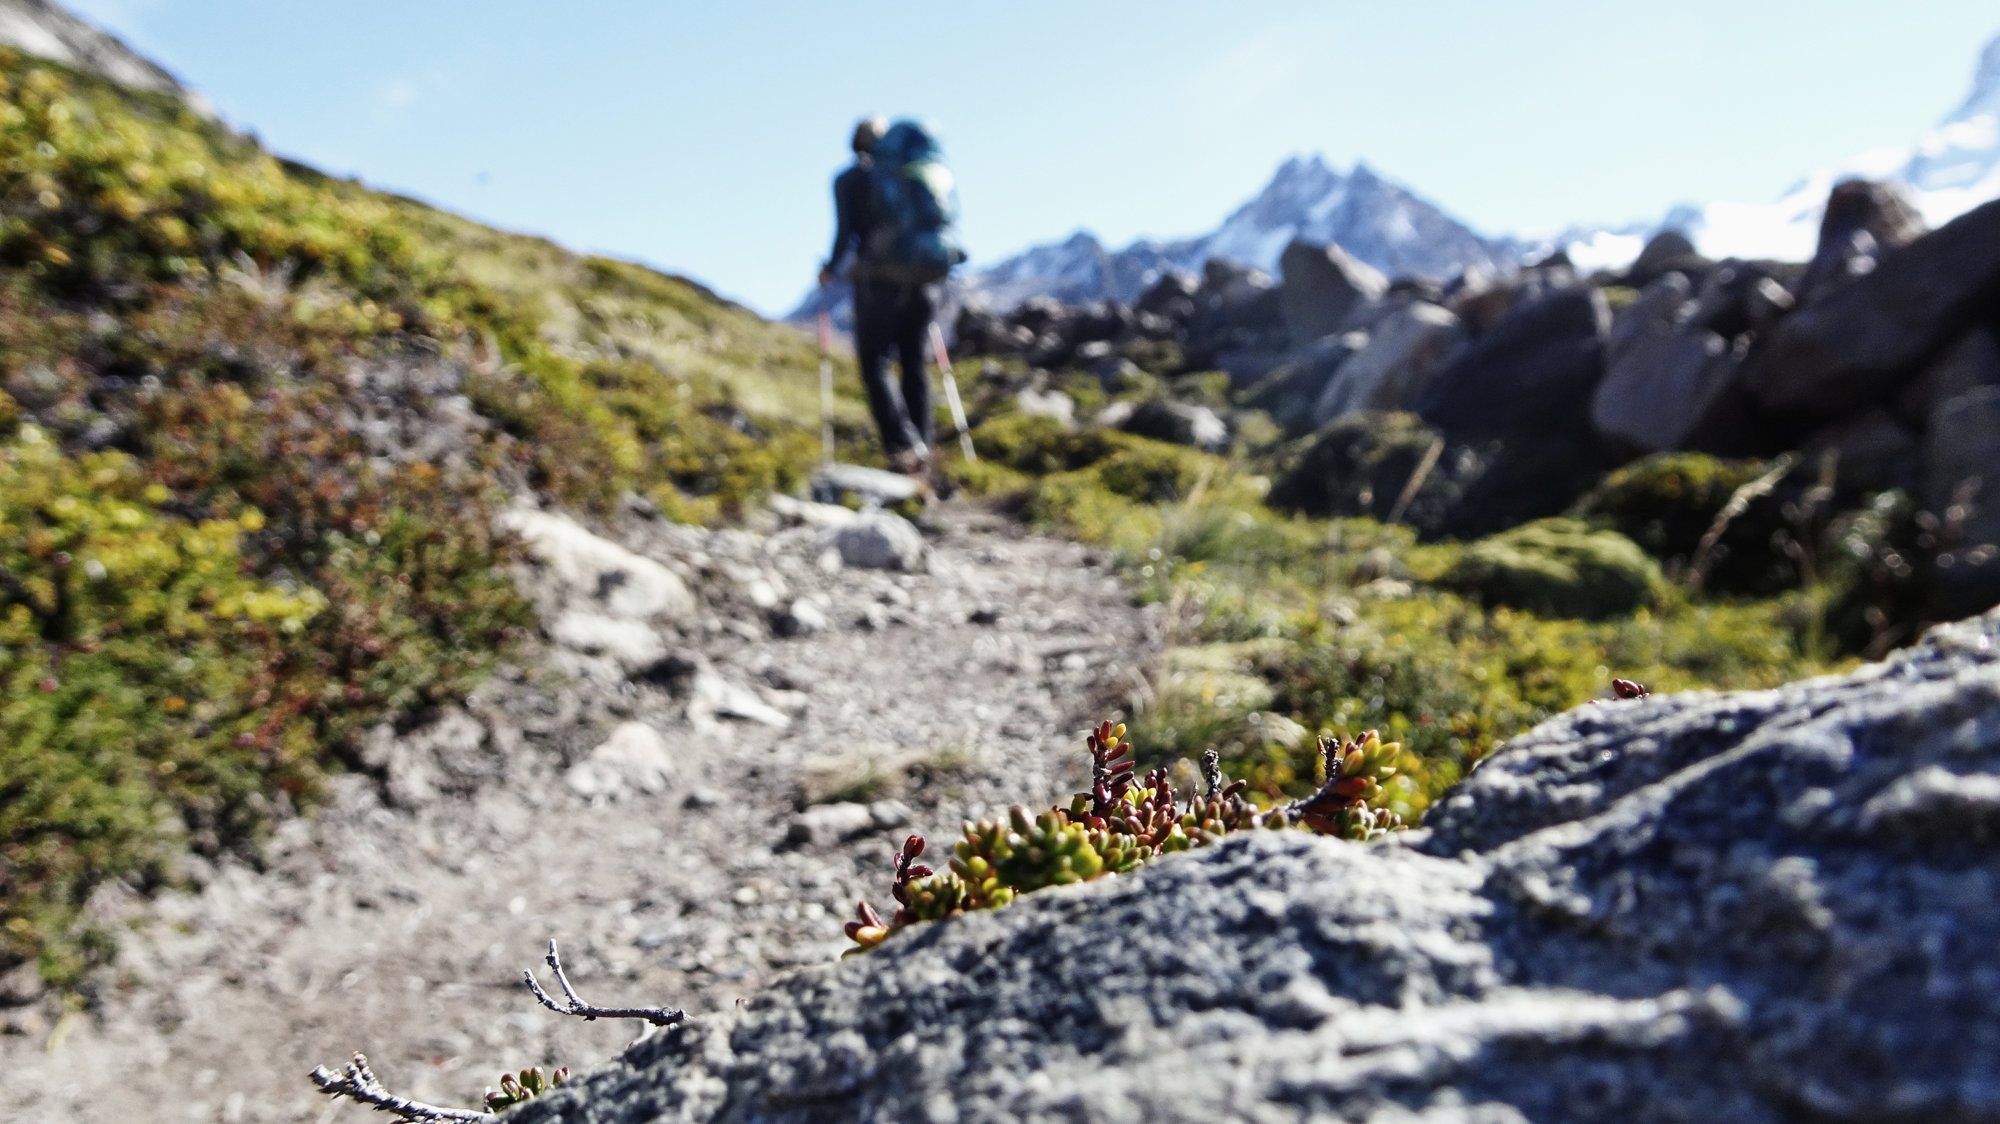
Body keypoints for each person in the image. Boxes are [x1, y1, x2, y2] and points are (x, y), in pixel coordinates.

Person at [820, 116, 937, 476]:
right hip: (922, 281)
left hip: (877, 283)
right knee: (914, 366)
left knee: (874, 363)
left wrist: (830, 268)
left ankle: (903, 448)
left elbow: (845, 234)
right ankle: (924, 449)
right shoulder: (912, 174)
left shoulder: (849, 180)